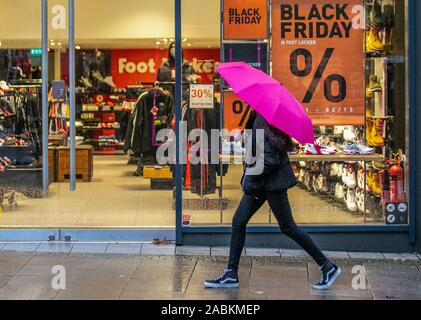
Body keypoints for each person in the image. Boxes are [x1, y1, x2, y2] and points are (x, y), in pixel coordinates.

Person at [204, 111, 341, 290]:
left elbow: (269, 160)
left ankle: (327, 267)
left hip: (271, 183)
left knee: (288, 227)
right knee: (239, 222)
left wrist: (249, 181)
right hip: (263, 183)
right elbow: (260, 148)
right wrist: (244, 137)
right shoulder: (259, 117)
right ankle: (231, 273)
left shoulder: (264, 118)